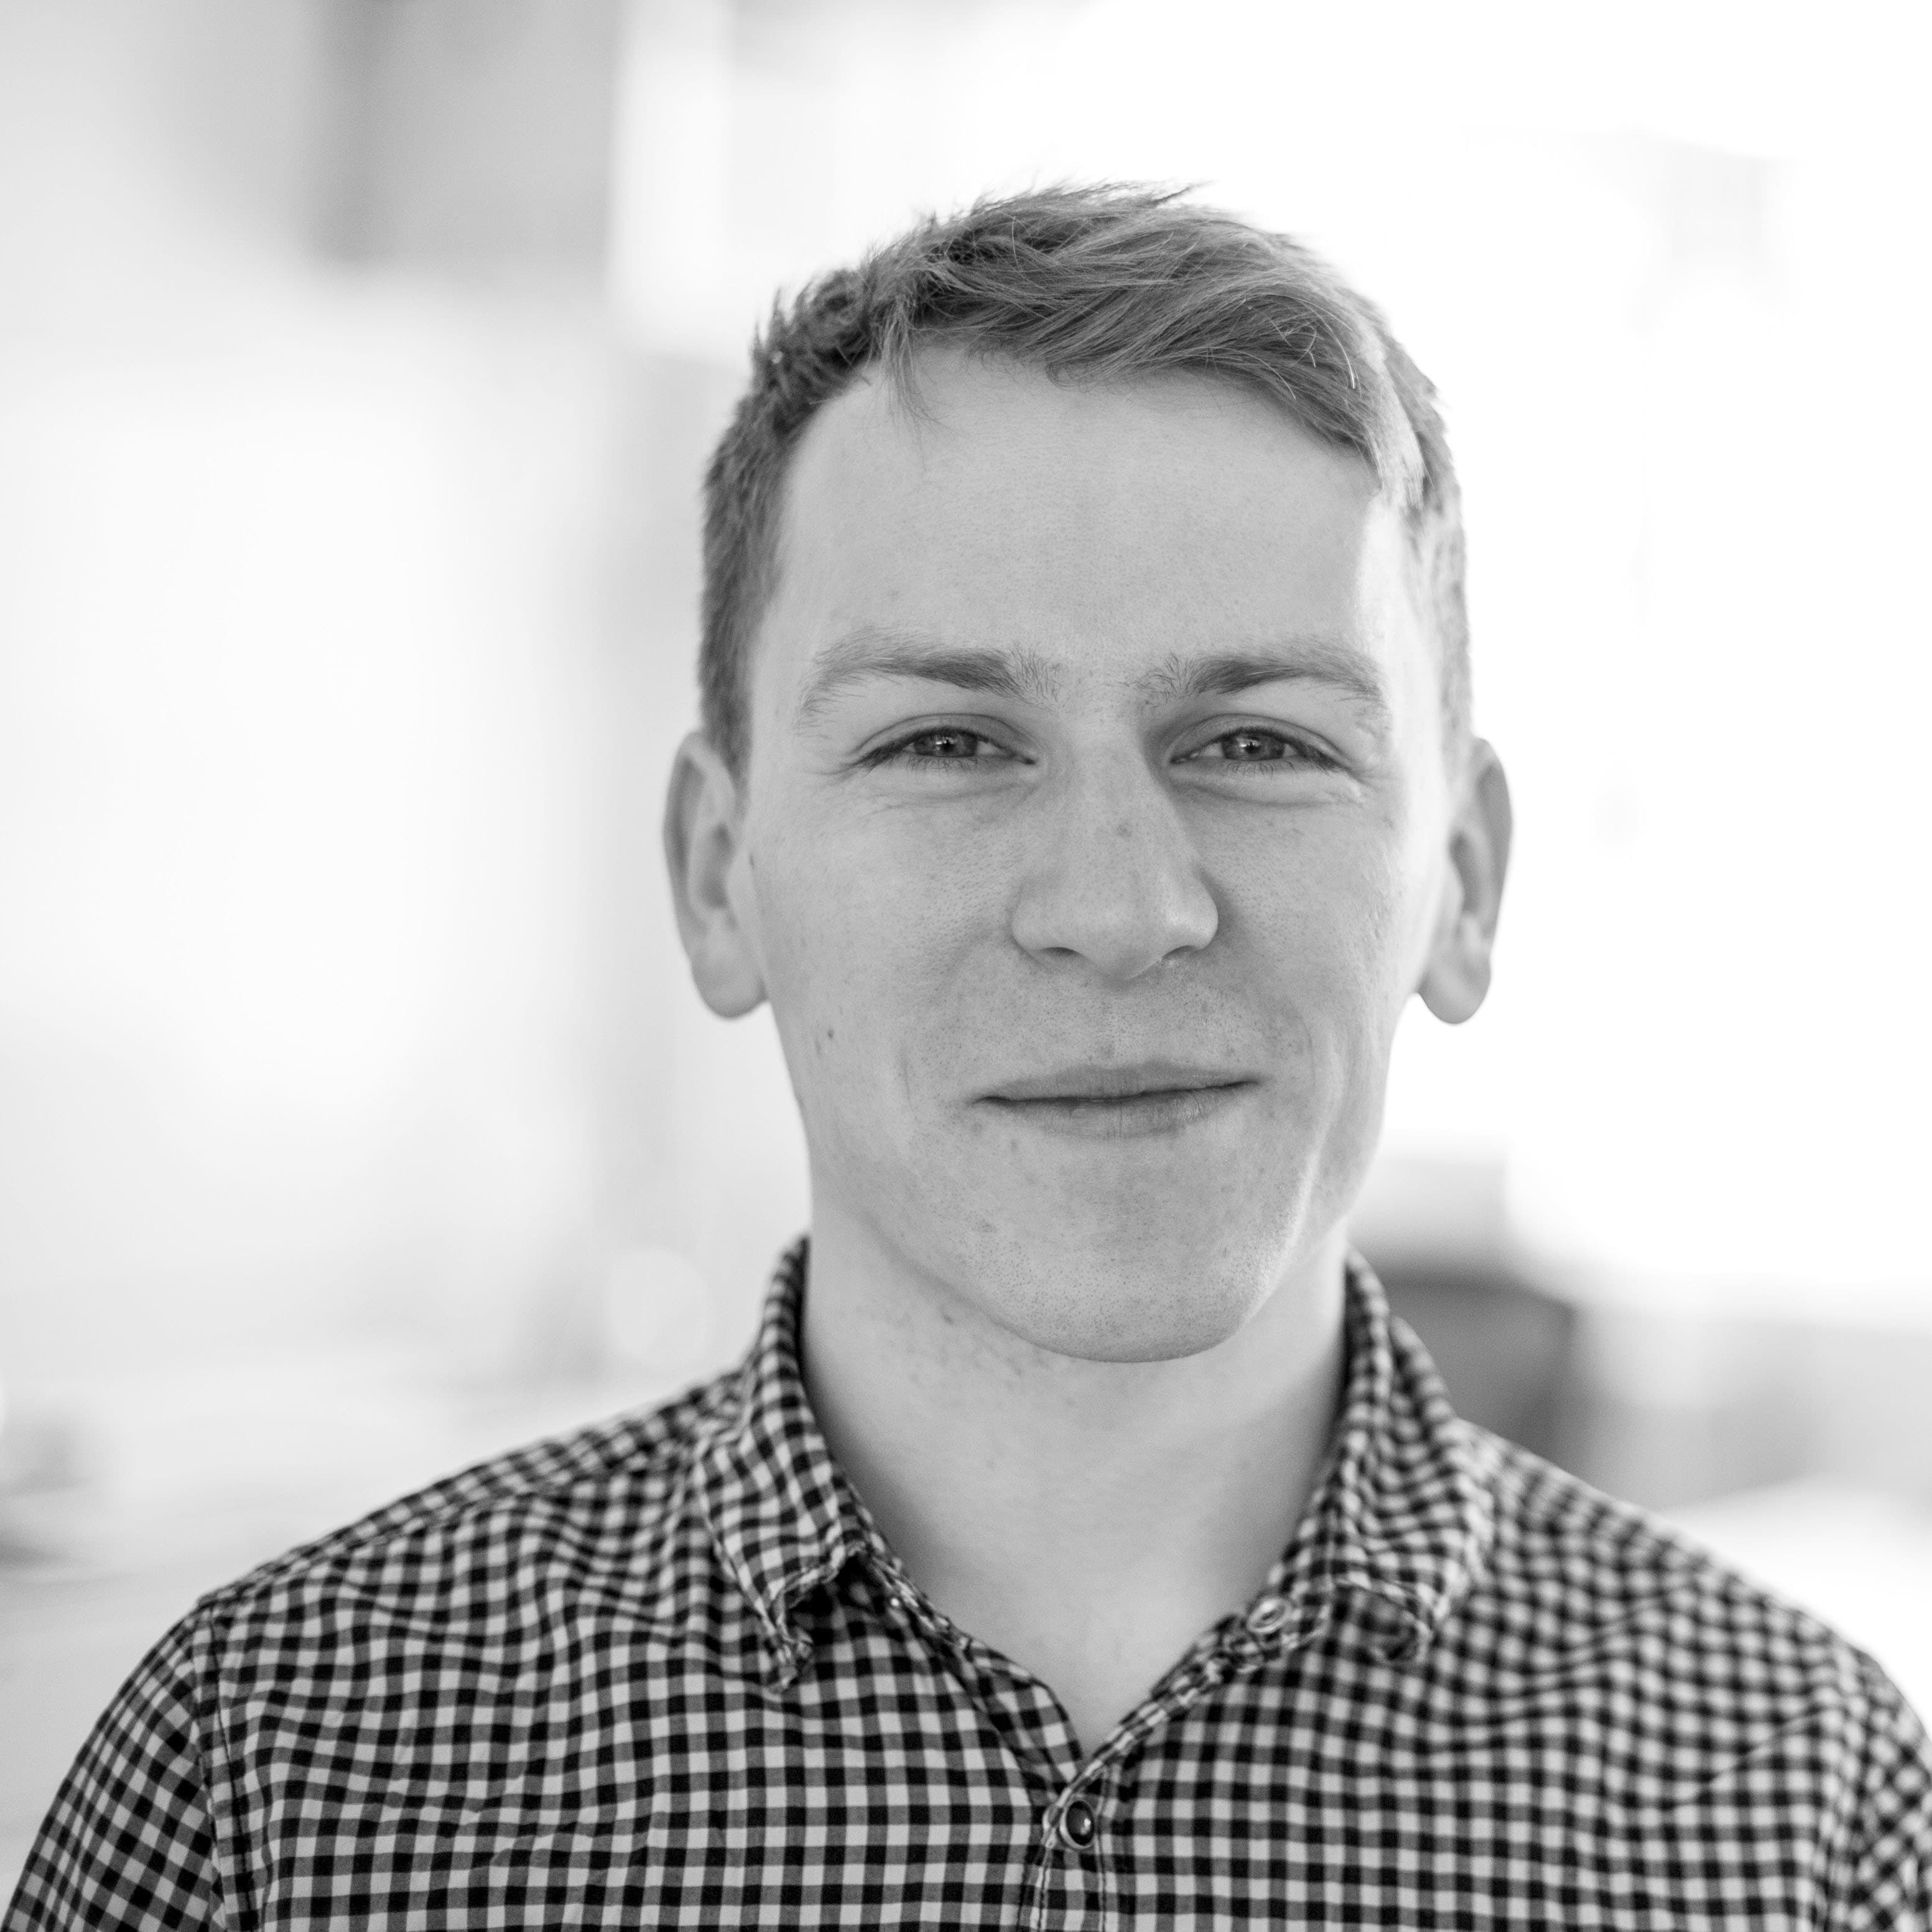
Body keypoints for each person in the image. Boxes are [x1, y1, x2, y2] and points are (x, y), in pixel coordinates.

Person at [9, 183, 1928, 1928]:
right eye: (943, 742)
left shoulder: (1805, 1808)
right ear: (717, 878)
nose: (1119, 904)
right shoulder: (272, 1770)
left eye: (1260, 741)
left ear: (1464, 882)